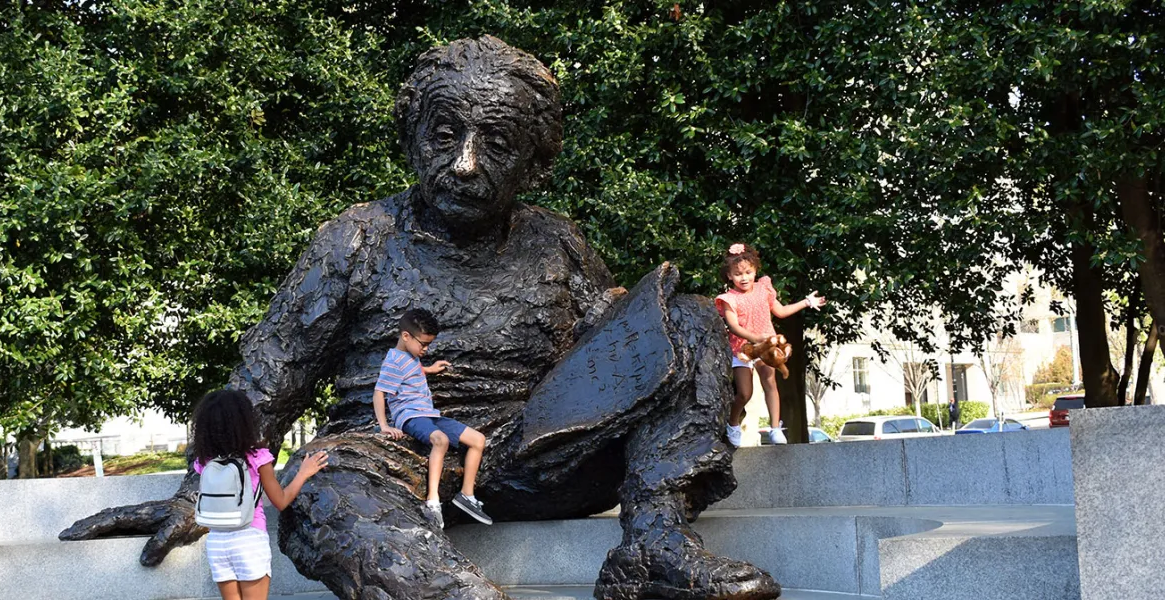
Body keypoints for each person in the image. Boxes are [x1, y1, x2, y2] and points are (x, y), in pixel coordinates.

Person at [63, 36, 783, 600]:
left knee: (686, 317)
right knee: (320, 489)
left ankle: (653, 547)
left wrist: (698, 348)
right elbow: (269, 374)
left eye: (496, 144)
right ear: (412, 140)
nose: (465, 165)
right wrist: (203, 486)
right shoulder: (357, 237)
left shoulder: (555, 238)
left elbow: (620, 351)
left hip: (539, 455)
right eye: (445, 136)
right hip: (388, 457)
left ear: (534, 164)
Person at [192, 389, 328, 600]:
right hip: (249, 539)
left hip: (217, 542)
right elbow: (281, 502)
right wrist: (303, 473)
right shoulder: (257, 458)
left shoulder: (204, 461)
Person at [374, 308, 492, 529]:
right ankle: (432, 502)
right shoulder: (392, 361)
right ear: (406, 336)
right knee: (441, 440)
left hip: (429, 415)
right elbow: (379, 392)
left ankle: (466, 495)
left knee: (478, 440)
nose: (426, 349)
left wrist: (428, 369)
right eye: (423, 344)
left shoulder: (409, 356)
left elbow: (411, 372)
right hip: (410, 416)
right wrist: (384, 425)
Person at [715, 243, 826, 447]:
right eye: (738, 274)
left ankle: (775, 428)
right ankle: (732, 423)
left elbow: (781, 311)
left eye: (748, 272)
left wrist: (806, 302)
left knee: (770, 383)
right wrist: (756, 338)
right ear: (730, 276)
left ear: (756, 270)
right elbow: (734, 327)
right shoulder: (729, 299)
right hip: (742, 349)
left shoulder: (763, 289)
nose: (744, 277)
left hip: (767, 347)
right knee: (744, 393)